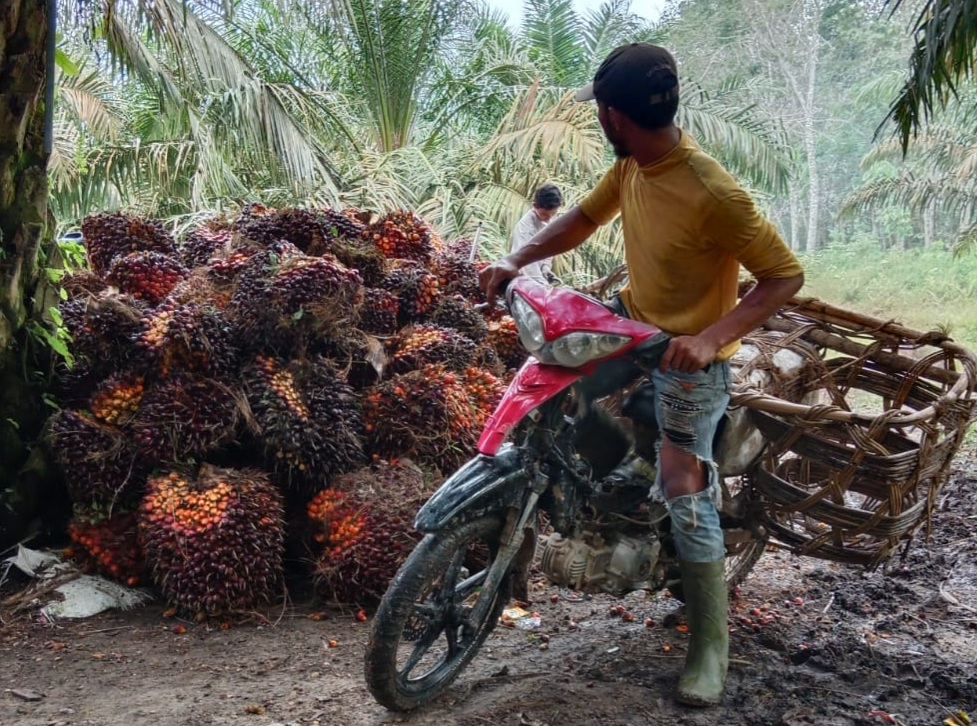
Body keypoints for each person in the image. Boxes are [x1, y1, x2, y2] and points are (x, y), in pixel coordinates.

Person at [479, 43, 804, 707]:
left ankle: (709, 646)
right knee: (551, 392)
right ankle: (619, 484)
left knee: (683, 485)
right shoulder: (630, 166)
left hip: (689, 354)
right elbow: (580, 219)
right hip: (630, 326)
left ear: (611, 115)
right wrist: (515, 260)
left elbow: (784, 275)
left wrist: (710, 336)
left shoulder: (712, 190)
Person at [509, 183, 564, 283]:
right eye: (545, 214)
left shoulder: (550, 220)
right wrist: (543, 286)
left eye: (553, 214)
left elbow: (550, 247)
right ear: (535, 206)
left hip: (539, 278)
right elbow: (527, 263)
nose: (549, 218)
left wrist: (545, 268)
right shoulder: (525, 228)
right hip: (522, 280)